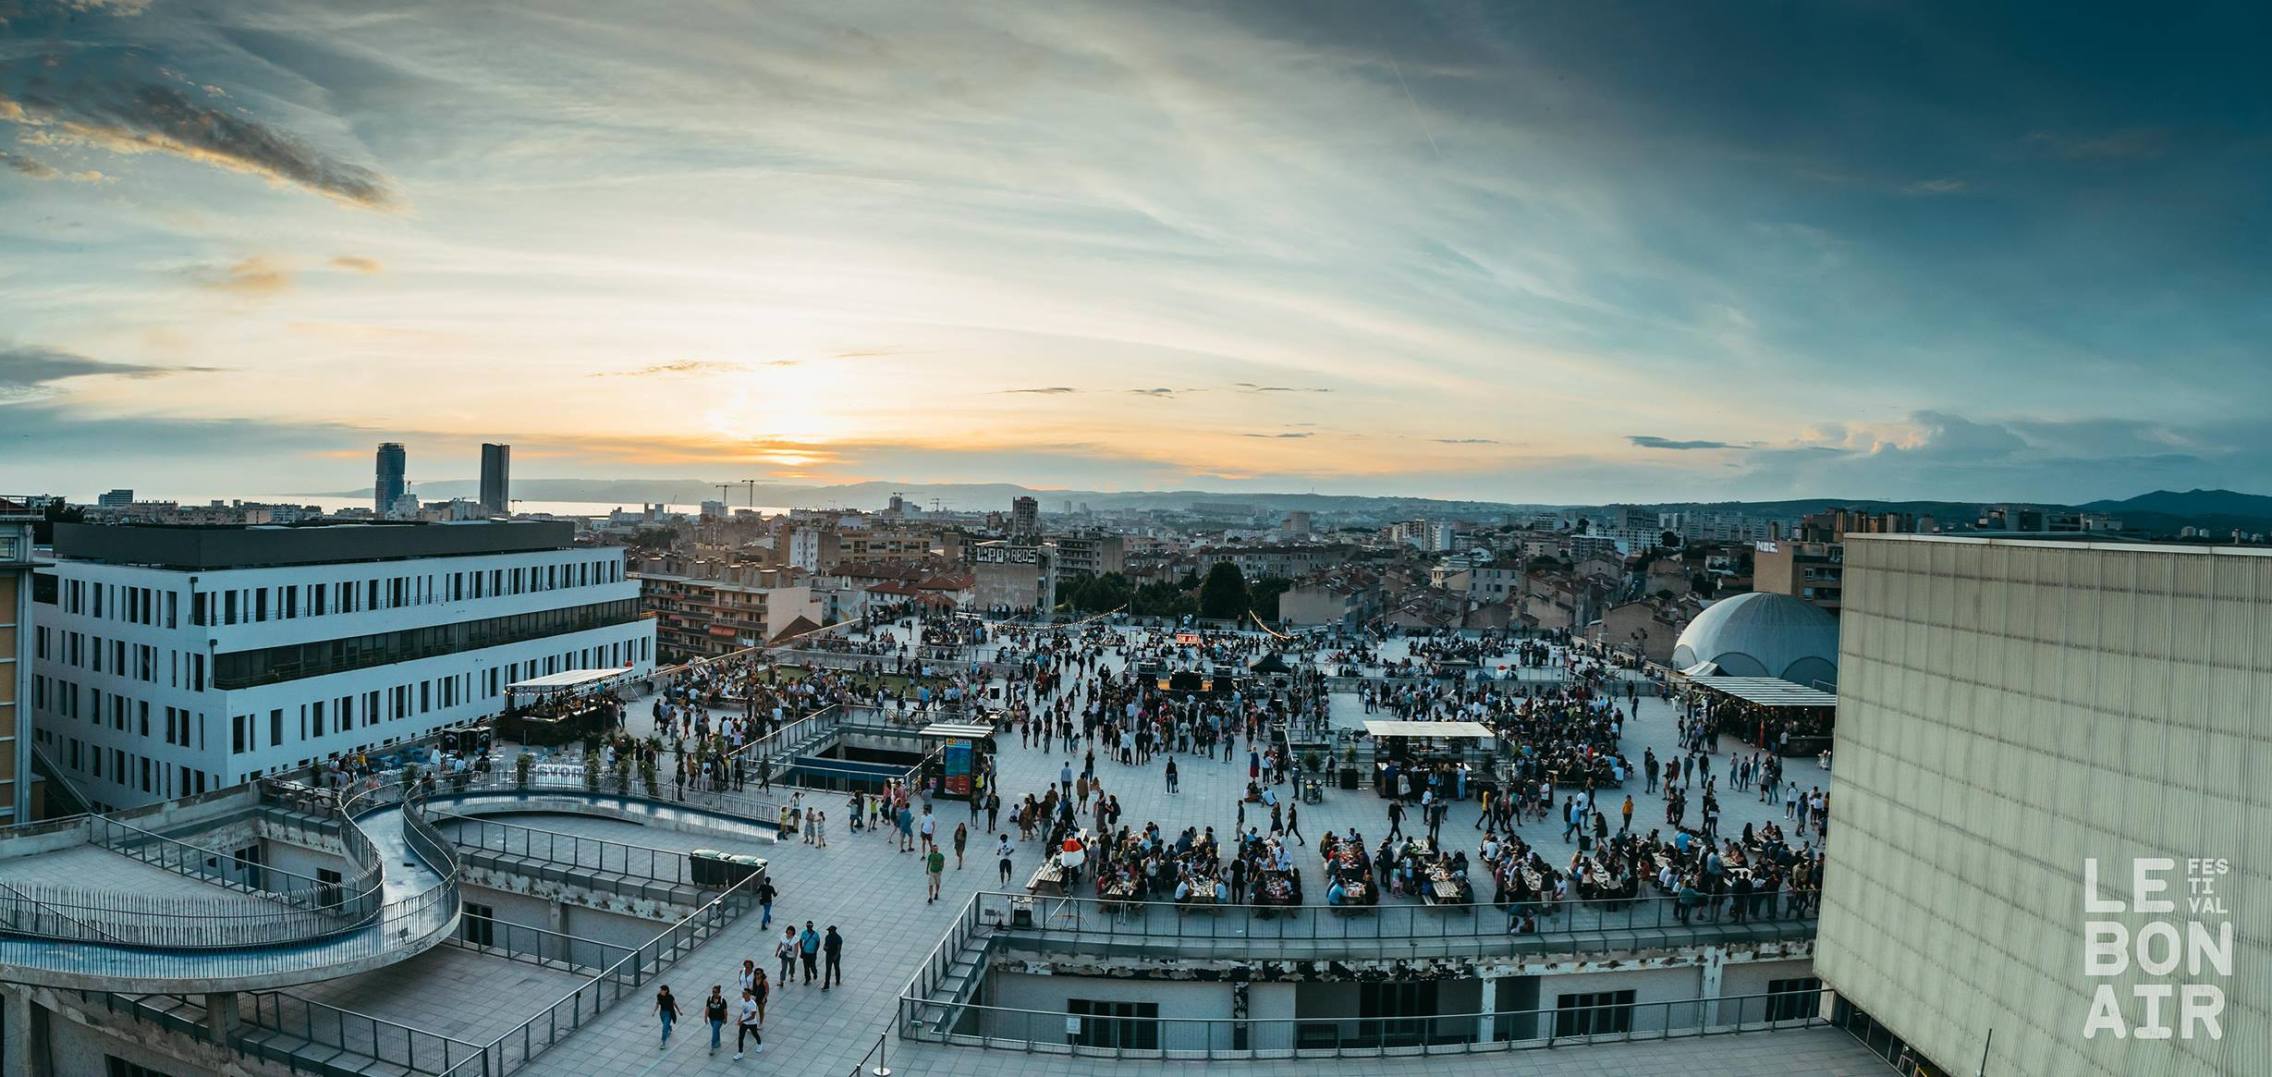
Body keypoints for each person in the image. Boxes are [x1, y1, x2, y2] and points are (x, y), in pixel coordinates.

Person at [735, 987, 762, 1059]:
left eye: (745, 994)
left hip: (752, 1023)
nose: (743, 995)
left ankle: (759, 1044)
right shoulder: (742, 1001)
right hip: (744, 1023)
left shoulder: (753, 1004)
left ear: (749, 994)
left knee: (755, 1034)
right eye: (743, 993)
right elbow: (743, 1011)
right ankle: (740, 1053)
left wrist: (742, 1021)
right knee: (741, 1037)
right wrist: (739, 1019)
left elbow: (753, 1017)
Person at [703, 985, 729, 1052]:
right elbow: (707, 1008)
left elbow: (725, 1011)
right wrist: (705, 1017)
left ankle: (712, 1047)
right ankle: (718, 1042)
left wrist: (726, 1019)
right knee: (716, 1030)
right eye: (713, 991)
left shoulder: (722, 1000)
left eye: (715, 992)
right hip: (712, 1019)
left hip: (719, 1019)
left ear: (719, 992)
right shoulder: (710, 998)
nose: (714, 993)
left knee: (714, 1031)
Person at [822, 925, 844, 989]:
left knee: (836, 967)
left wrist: (836, 956)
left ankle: (837, 980)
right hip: (829, 955)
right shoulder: (828, 937)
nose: (828, 932)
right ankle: (827, 984)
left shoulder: (838, 938)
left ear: (833, 931)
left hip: (835, 955)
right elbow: (825, 945)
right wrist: (825, 948)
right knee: (828, 970)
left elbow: (839, 949)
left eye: (829, 931)